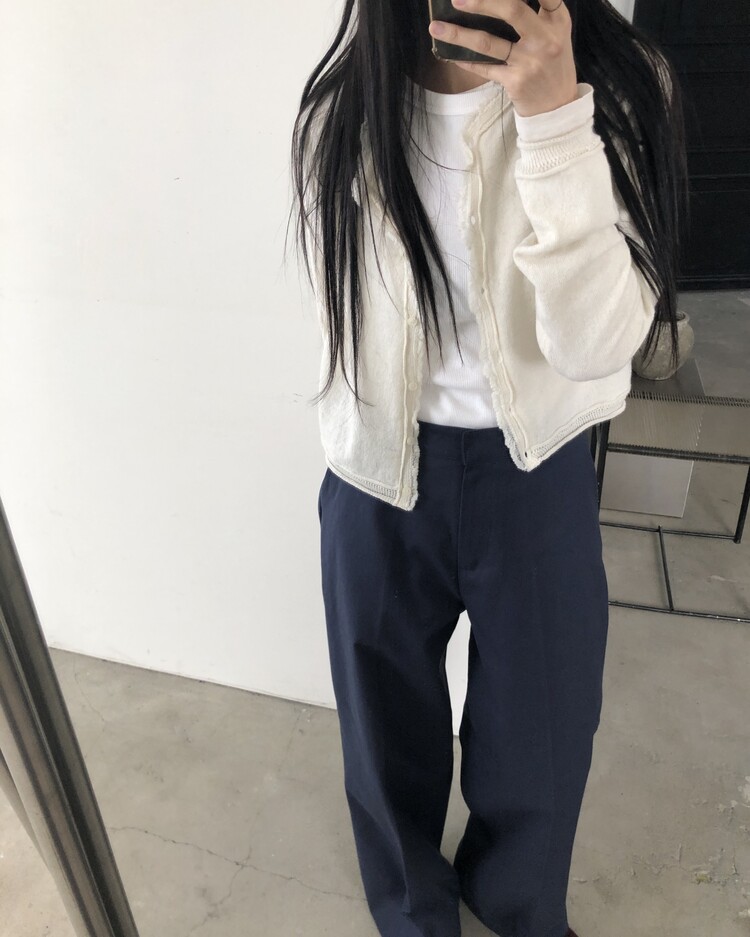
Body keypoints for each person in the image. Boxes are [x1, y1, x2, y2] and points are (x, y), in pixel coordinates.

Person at [288, 1, 688, 935]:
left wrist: (554, 120)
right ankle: (411, 909)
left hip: (536, 467)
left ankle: (515, 903)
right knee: (382, 723)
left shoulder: (622, 89)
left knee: (543, 731)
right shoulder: (345, 106)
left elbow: (595, 347)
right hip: (378, 471)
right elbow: (346, 308)